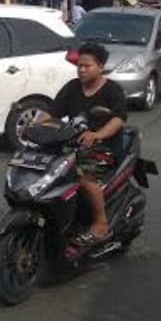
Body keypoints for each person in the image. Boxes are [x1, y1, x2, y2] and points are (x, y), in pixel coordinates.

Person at [46, 41, 127, 246]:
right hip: (72, 146)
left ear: (100, 67)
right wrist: (34, 126)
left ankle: (101, 224)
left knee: (82, 175)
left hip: (103, 149)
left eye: (87, 66)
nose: (81, 69)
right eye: (79, 65)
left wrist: (98, 134)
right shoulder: (72, 87)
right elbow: (52, 115)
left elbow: (118, 119)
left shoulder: (112, 90)